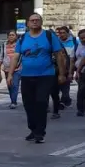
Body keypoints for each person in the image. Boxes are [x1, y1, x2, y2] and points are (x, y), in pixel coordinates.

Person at [15, 13, 65, 144]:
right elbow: (16, 56)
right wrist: (9, 74)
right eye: (32, 20)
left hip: (45, 75)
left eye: (37, 20)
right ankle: (33, 128)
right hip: (26, 76)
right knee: (28, 105)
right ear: (28, 23)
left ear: (41, 22)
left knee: (41, 102)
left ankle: (40, 132)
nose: (35, 22)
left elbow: (59, 55)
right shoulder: (22, 38)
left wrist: (62, 74)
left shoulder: (49, 36)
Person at [53, 26, 76, 116]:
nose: (61, 35)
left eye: (63, 33)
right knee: (57, 87)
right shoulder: (56, 42)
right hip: (58, 68)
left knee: (65, 87)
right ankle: (63, 101)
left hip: (69, 66)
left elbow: (73, 58)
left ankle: (63, 101)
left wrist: (71, 71)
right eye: (60, 33)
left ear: (67, 33)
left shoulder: (73, 42)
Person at [73, 28, 85, 116]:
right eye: (82, 38)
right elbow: (72, 59)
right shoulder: (77, 45)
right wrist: (73, 72)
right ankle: (80, 110)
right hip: (81, 72)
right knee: (81, 91)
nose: (84, 40)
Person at [1, 30, 20, 109]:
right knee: (9, 85)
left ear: (16, 36)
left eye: (13, 35)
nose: (11, 37)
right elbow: (1, 56)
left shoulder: (19, 44)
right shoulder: (4, 45)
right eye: (10, 35)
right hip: (7, 68)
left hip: (17, 68)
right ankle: (12, 99)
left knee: (15, 85)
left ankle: (13, 102)